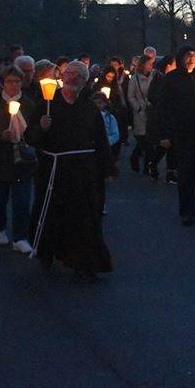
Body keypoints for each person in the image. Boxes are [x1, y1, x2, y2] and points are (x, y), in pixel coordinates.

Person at [26, 60, 116, 283]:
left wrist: (107, 169)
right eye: (70, 74)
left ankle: (83, 262)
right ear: (63, 77)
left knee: (84, 218)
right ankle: (46, 251)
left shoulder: (89, 108)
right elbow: (31, 137)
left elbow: (100, 141)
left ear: (85, 82)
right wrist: (42, 128)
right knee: (52, 213)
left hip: (83, 172)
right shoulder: (47, 104)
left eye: (79, 76)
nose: (73, 78)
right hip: (54, 170)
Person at [0, 65, 37, 253]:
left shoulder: (28, 104)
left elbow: (34, 130)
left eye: (18, 81)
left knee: (22, 200)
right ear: (3, 83)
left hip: (23, 161)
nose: (14, 85)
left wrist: (38, 129)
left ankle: (20, 236)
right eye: (10, 81)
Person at [156, 45, 195, 225]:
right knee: (185, 172)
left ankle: (192, 208)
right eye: (188, 56)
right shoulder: (171, 79)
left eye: (194, 55)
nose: (192, 58)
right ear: (181, 58)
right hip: (181, 132)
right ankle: (185, 210)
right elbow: (163, 108)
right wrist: (164, 134)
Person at [145, 55, 178, 183]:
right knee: (164, 144)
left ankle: (170, 172)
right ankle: (153, 164)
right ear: (168, 66)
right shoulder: (160, 79)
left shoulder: (172, 79)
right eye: (175, 64)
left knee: (172, 145)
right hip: (161, 116)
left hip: (172, 116)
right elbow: (153, 96)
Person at [126, 54, 155, 173]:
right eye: (149, 64)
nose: (151, 66)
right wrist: (138, 107)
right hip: (141, 112)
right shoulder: (135, 79)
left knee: (150, 140)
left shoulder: (154, 76)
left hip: (152, 110)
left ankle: (147, 166)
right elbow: (131, 95)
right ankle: (136, 158)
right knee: (143, 140)